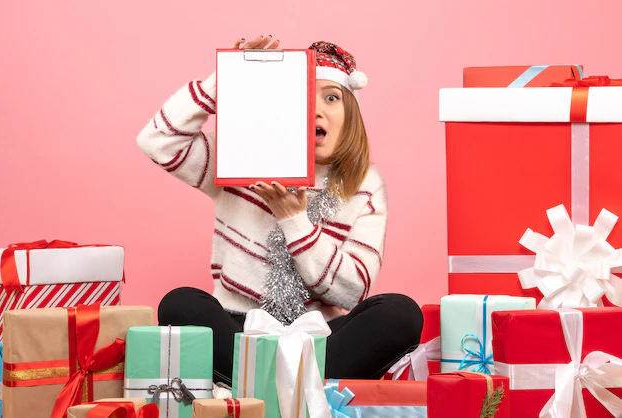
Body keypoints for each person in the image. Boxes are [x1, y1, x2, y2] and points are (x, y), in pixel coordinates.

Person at [137, 35, 423, 386]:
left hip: (321, 337)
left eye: (331, 97)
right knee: (179, 304)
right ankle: (294, 388)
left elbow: (352, 291)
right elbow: (157, 140)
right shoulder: (240, 159)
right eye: (302, 97)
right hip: (239, 329)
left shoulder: (366, 183)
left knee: (400, 313)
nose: (316, 109)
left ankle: (262, 386)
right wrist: (226, 80)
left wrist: (294, 220)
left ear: (351, 114)